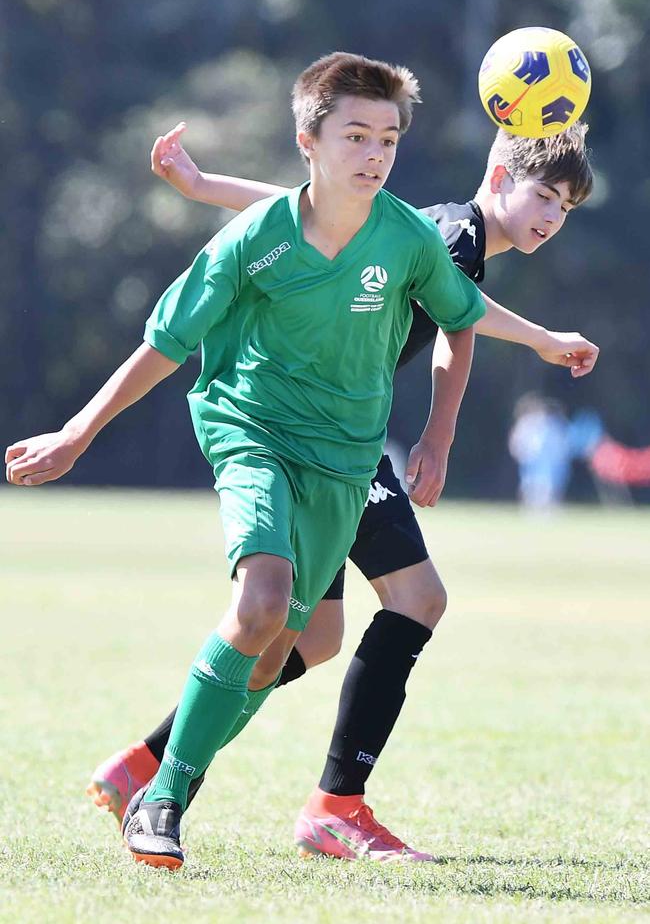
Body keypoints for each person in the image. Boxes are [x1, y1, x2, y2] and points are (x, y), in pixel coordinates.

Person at [5, 52, 486, 870]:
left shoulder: (407, 239)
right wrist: (78, 433)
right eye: (356, 136)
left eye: (389, 140)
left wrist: (438, 436)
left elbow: (462, 319)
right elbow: (164, 346)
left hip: (345, 464)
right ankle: (164, 802)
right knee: (261, 600)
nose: (374, 155)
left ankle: (147, 774)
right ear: (308, 139)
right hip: (253, 434)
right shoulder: (254, 240)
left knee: (279, 649)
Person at [85, 120, 598, 860]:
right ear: (497, 175)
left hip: (340, 436)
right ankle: (334, 805)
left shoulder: (445, 237)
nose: (550, 216)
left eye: (566, 208)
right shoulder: (455, 236)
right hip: (323, 440)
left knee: (315, 640)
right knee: (417, 599)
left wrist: (205, 188)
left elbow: (315, 215)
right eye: (543, 196)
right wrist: (544, 339)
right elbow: (463, 312)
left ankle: (144, 766)